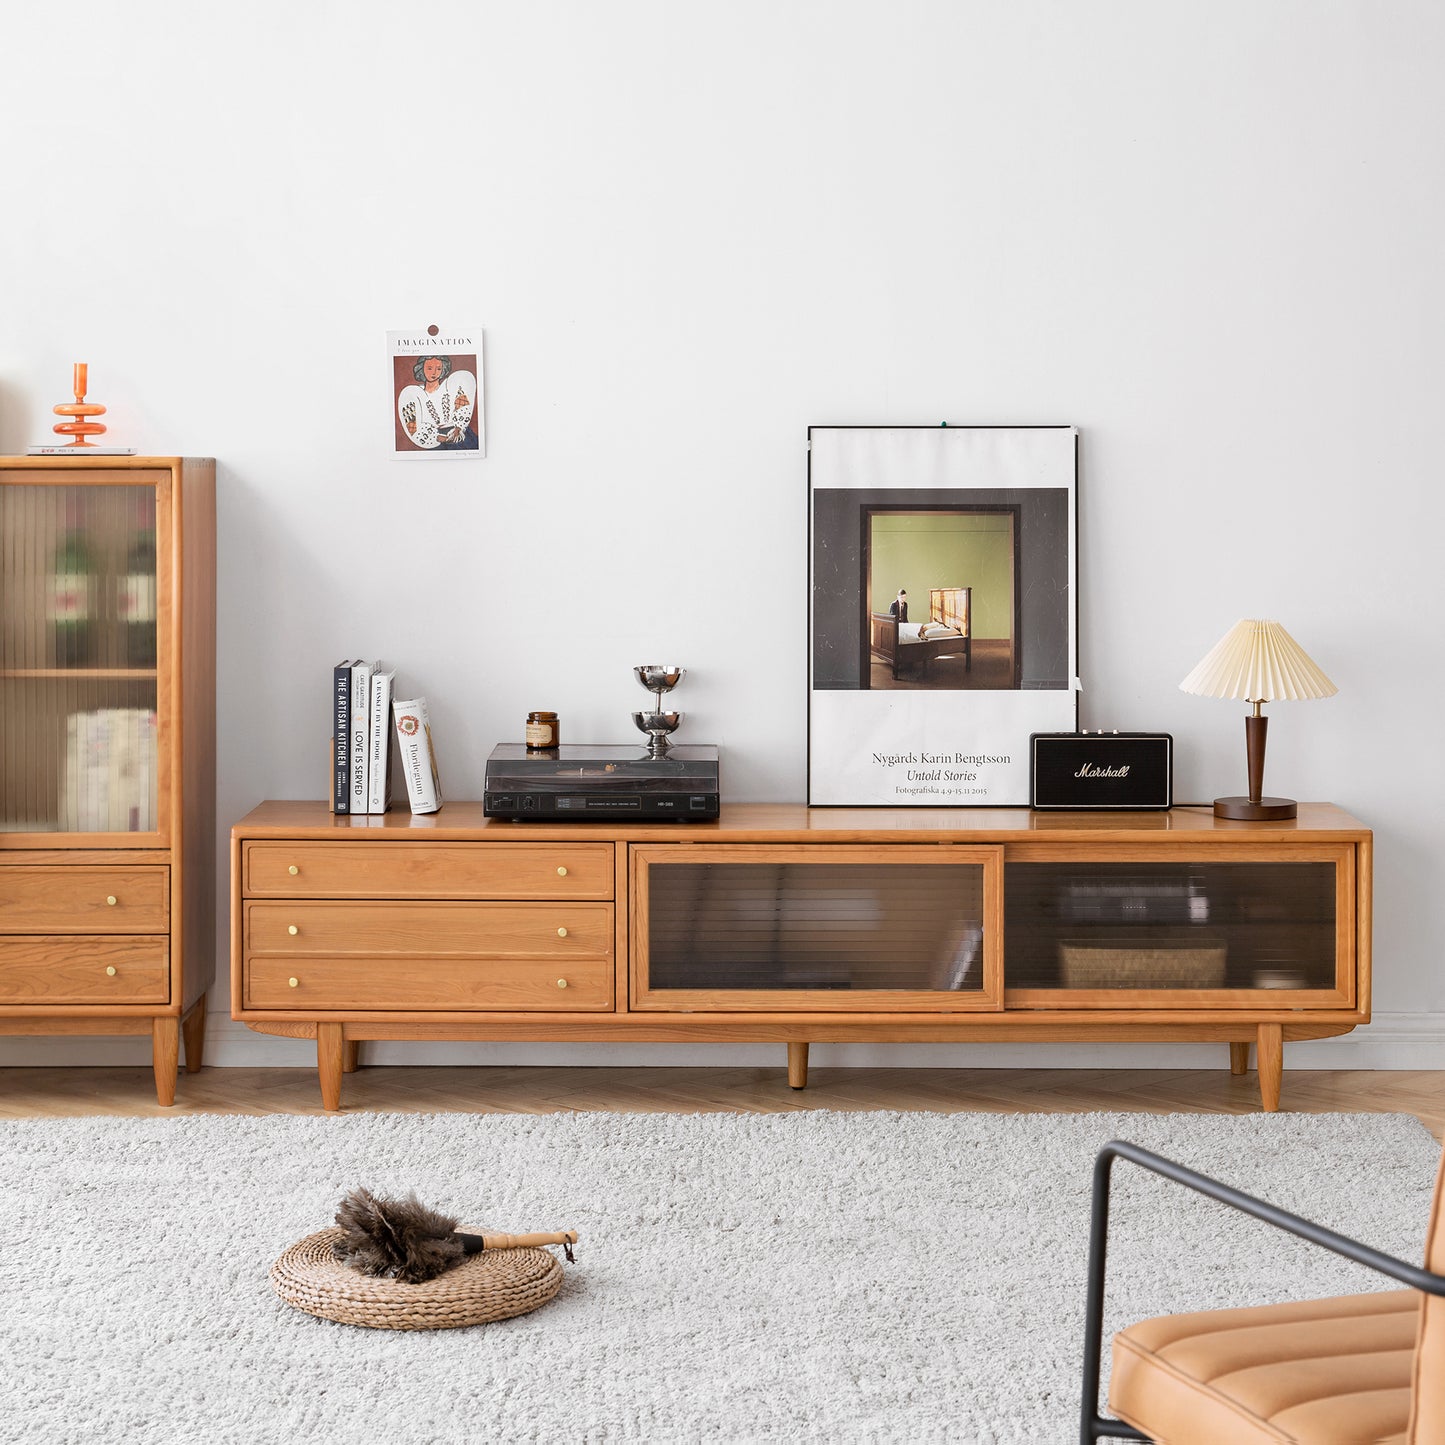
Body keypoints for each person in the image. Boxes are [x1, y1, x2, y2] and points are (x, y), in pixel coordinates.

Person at [398, 355, 478, 450]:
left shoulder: (453, 384)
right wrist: (439, 438)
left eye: (438, 368)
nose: (434, 372)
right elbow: (413, 428)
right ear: (421, 369)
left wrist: (458, 428)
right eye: (429, 368)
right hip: (434, 441)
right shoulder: (413, 394)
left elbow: (463, 406)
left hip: (459, 435)